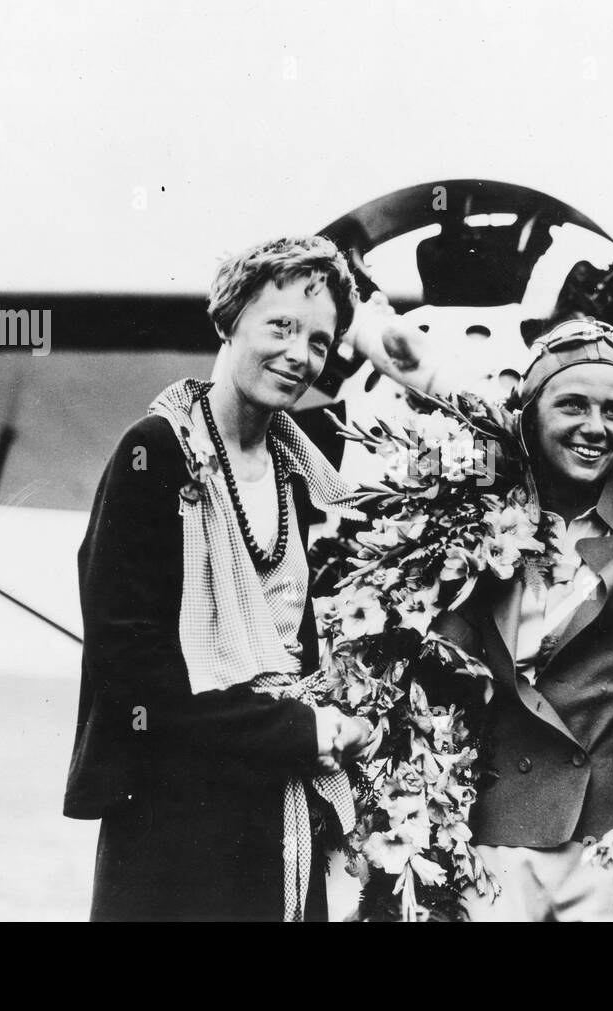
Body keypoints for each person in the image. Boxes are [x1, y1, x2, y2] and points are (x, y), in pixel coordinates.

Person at [63, 235, 375, 921]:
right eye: (282, 326)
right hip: (172, 823)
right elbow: (132, 666)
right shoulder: (152, 454)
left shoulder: (304, 469)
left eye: (320, 342)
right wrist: (306, 730)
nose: (300, 354)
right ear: (230, 318)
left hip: (281, 811)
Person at [355, 314, 613, 920]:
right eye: (572, 405)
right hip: (493, 840)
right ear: (530, 416)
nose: (595, 428)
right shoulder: (466, 516)